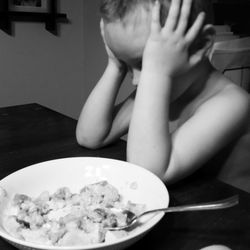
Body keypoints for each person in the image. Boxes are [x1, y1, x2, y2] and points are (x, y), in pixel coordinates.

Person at [76, 0, 249, 186]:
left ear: (201, 45)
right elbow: (90, 137)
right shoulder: (167, 88)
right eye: (127, 64)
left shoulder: (233, 103)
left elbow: (148, 173)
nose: (135, 81)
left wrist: (156, 71)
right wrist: (115, 66)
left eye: (145, 62)